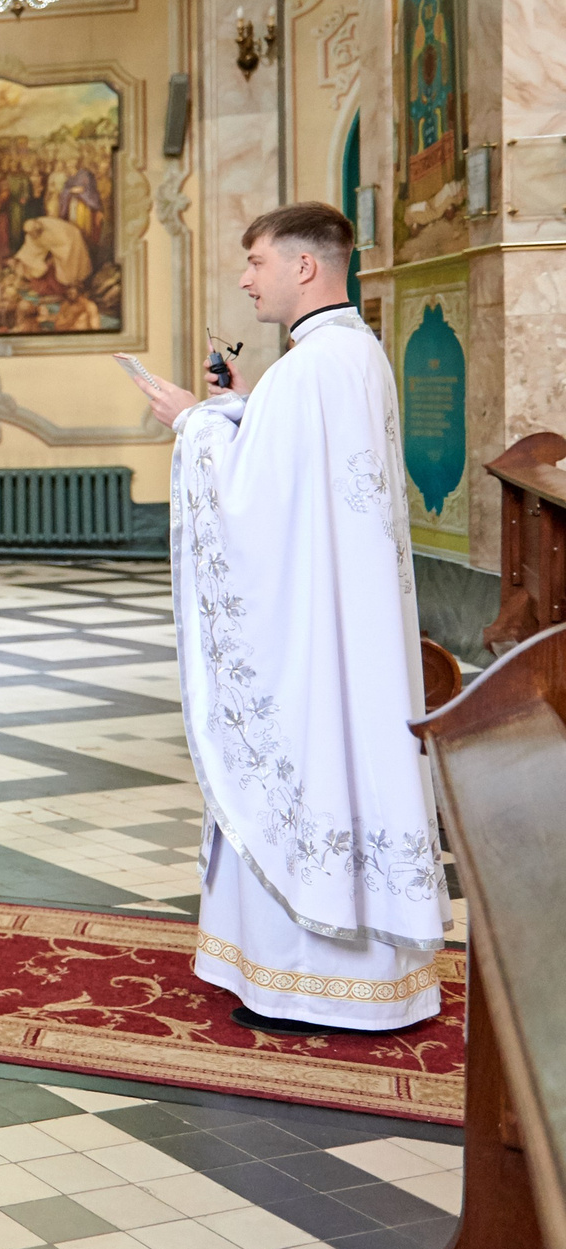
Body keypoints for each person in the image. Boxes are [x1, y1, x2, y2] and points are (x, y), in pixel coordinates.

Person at [124, 203, 449, 1033]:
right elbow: (289, 472)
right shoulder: (351, 354)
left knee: (311, 754)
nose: (245, 277)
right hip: (346, 613)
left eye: (257, 261)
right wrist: (237, 410)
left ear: (306, 267)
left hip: (314, 630)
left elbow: (252, 504)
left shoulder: (312, 369)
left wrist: (190, 421)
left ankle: (306, 983)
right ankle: (347, 975)